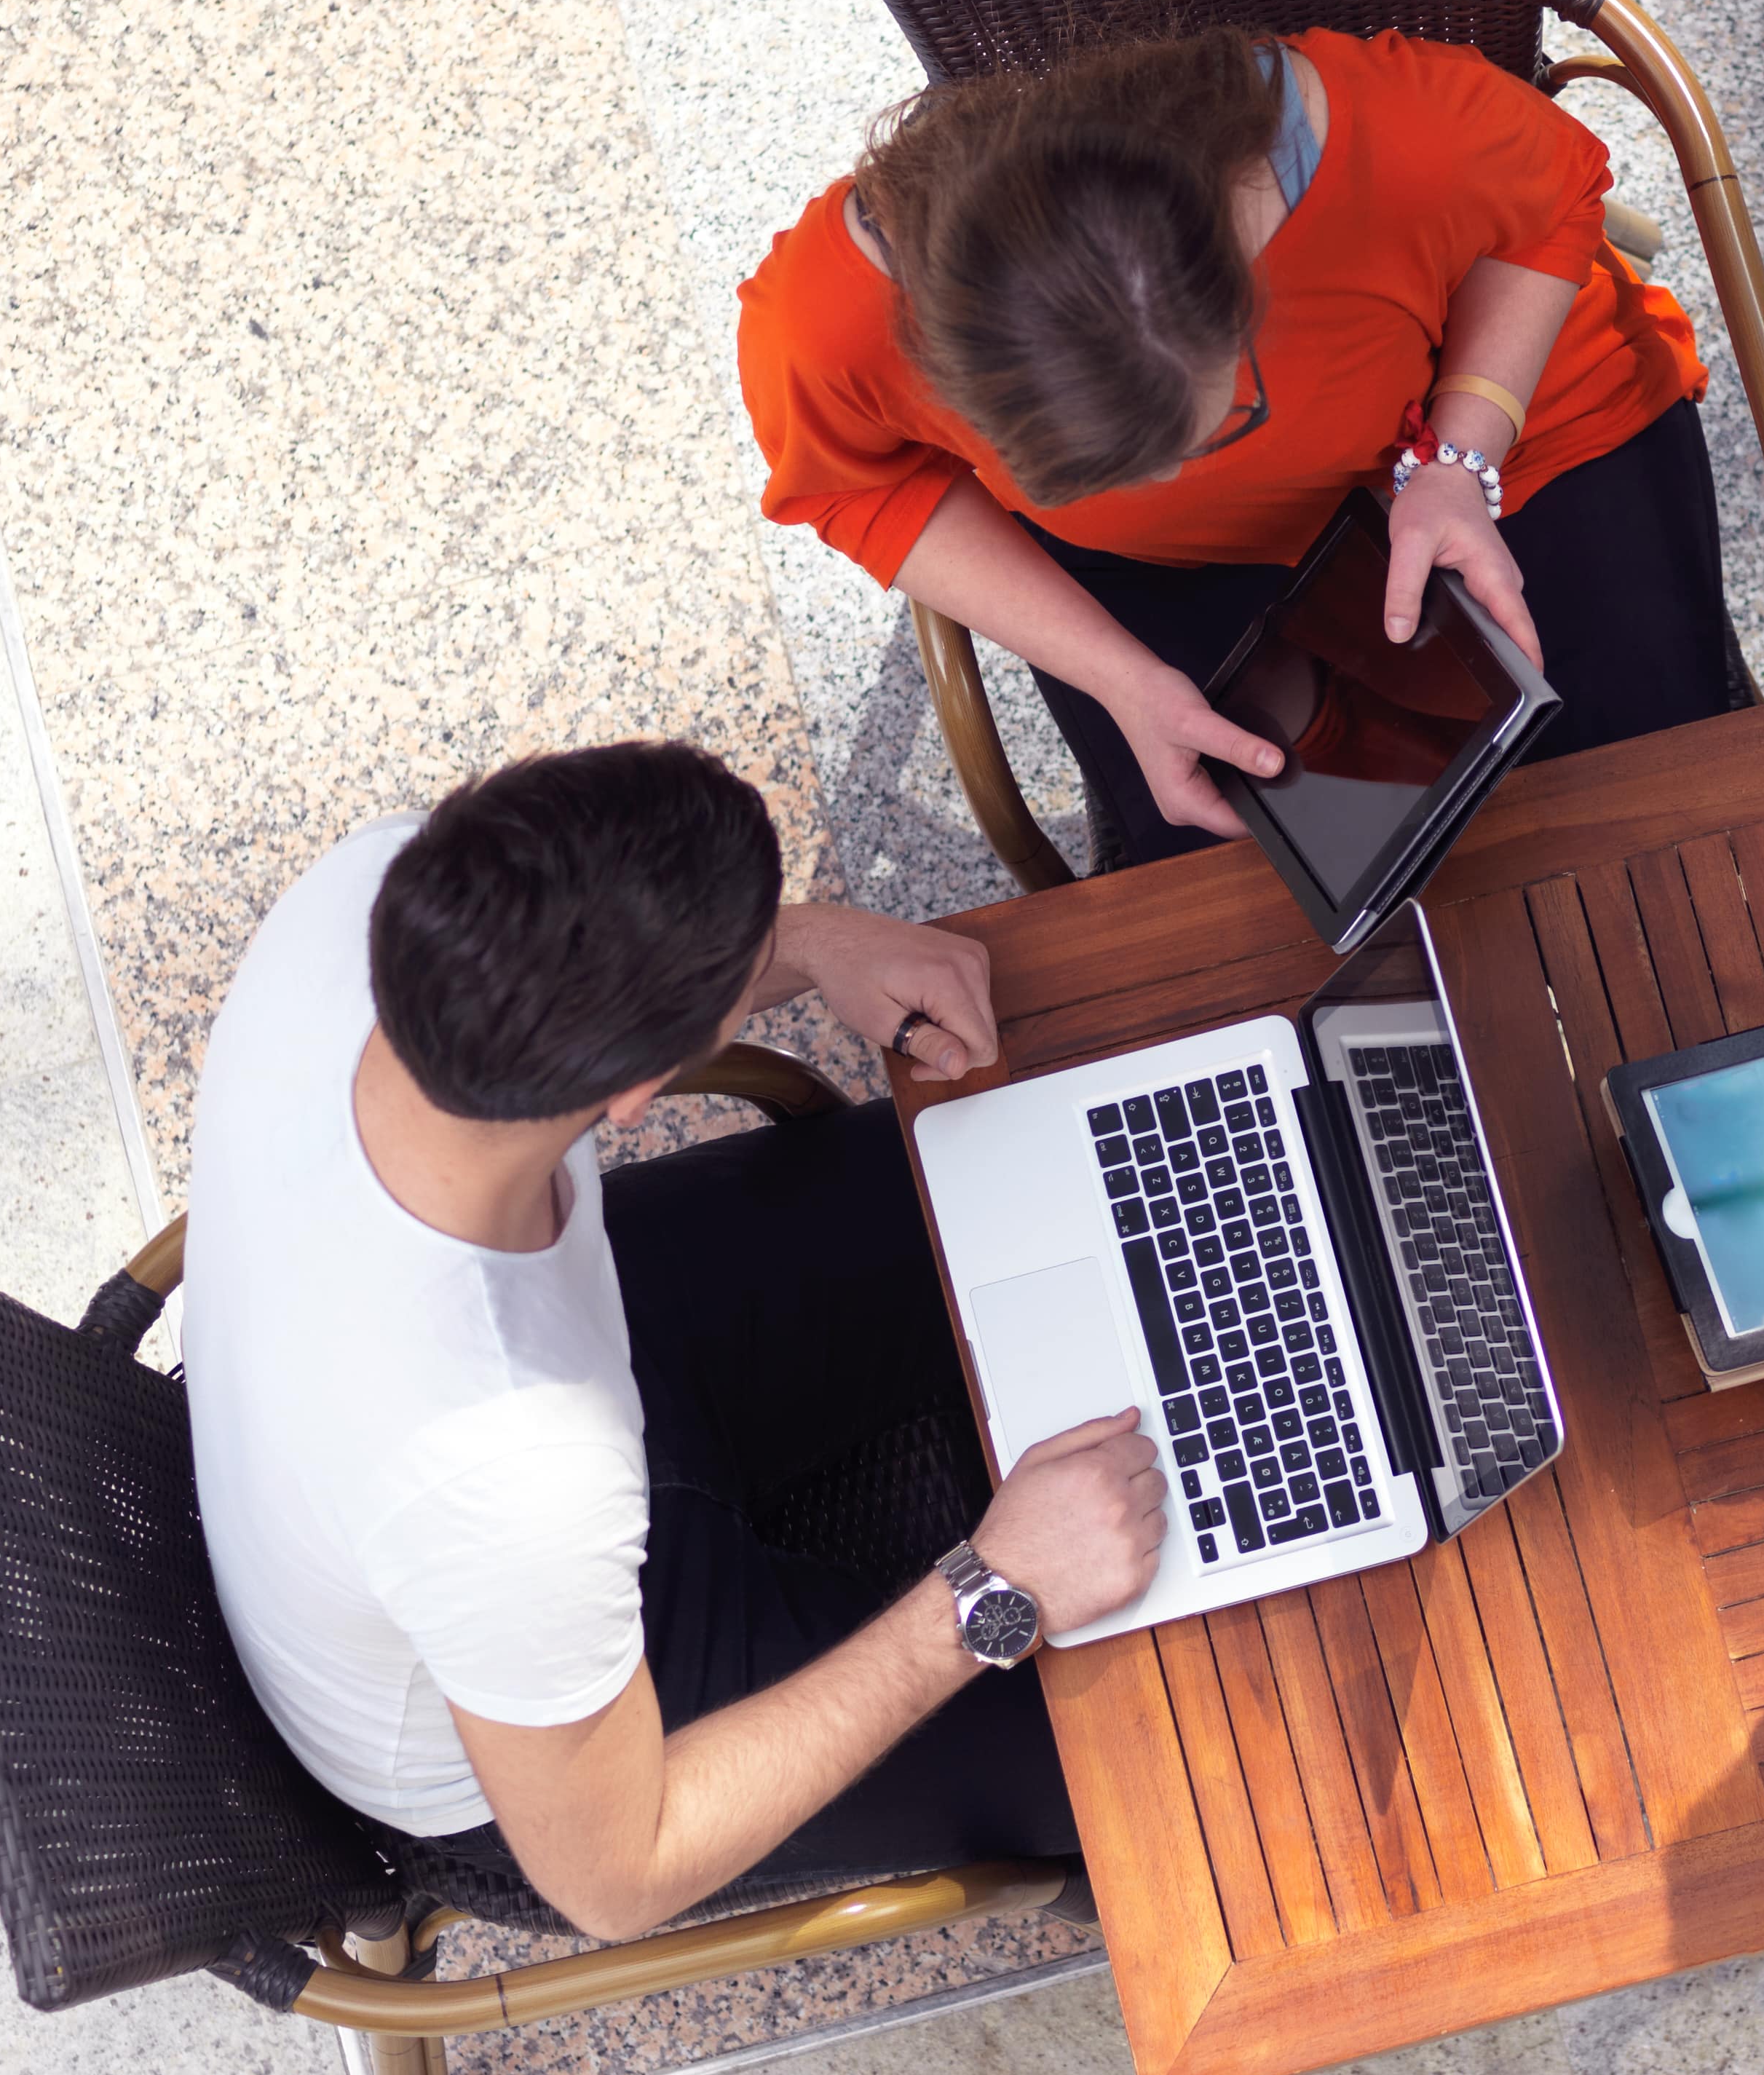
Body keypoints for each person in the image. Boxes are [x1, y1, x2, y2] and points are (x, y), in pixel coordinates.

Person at [179, 740, 1165, 1945]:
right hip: (546, 1755)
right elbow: (617, 1879)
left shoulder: (367, 888)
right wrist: (990, 1592)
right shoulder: (501, 1471)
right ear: (640, 1086)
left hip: (521, 1443)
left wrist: (811, 943)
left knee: (1039, 1158)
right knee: (1173, 1747)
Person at [738, 27, 1742, 870]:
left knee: (1668, 811)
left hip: (1529, 439)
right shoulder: (826, 322)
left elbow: (1556, 205)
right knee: (1262, 887)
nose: (1179, 479)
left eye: (1217, 424)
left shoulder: (1406, 135)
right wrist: (1120, 678)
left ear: (1246, 282)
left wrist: (1461, 455)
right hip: (1168, 575)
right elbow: (861, 489)